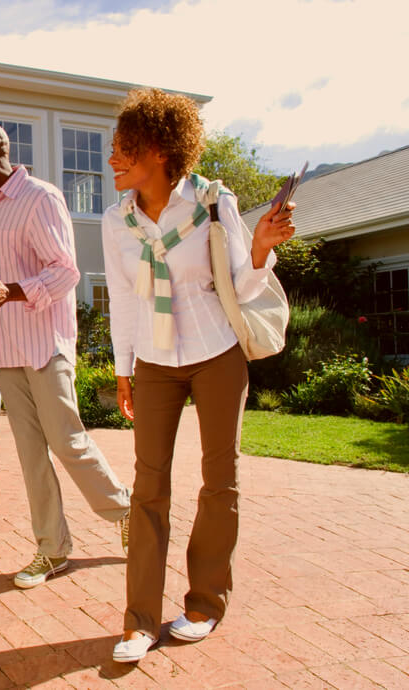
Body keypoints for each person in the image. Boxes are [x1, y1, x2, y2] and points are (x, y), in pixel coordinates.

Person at [103, 89, 296, 663]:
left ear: (159, 150)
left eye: (123, 151)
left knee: (219, 480)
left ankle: (205, 603)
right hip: (157, 361)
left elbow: (239, 284)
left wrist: (261, 248)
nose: (112, 160)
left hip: (216, 352)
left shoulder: (212, 203)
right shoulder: (118, 223)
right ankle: (139, 619)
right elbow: (122, 300)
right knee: (148, 487)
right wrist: (123, 367)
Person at [0, 122, 131, 589]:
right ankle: (52, 549)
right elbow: (4, 274)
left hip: (45, 344)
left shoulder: (39, 197)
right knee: (30, 453)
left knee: (67, 441)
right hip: (7, 349)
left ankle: (128, 510)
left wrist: (14, 292)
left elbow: (65, 272)